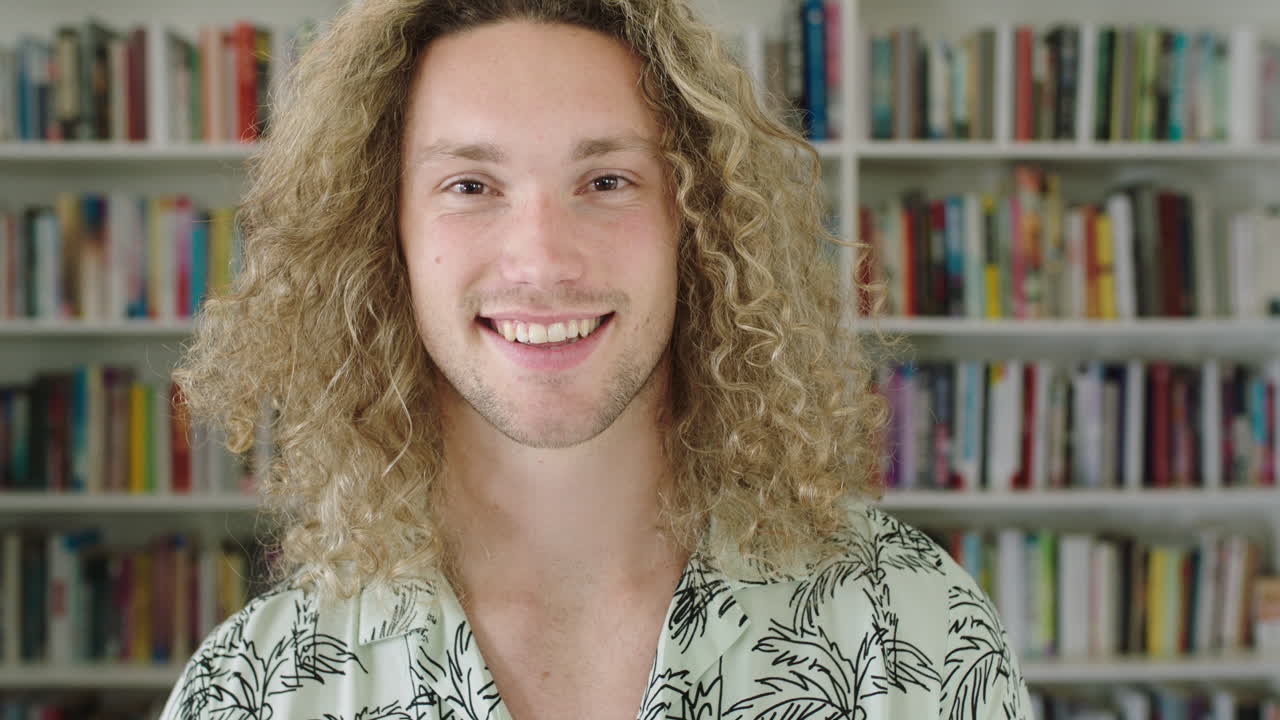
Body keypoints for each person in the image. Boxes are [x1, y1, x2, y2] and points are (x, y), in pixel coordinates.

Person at [161, 0, 1033, 718]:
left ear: (697, 226)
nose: (543, 261)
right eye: (471, 186)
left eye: (607, 181)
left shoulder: (916, 633)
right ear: (382, 237)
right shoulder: (254, 690)